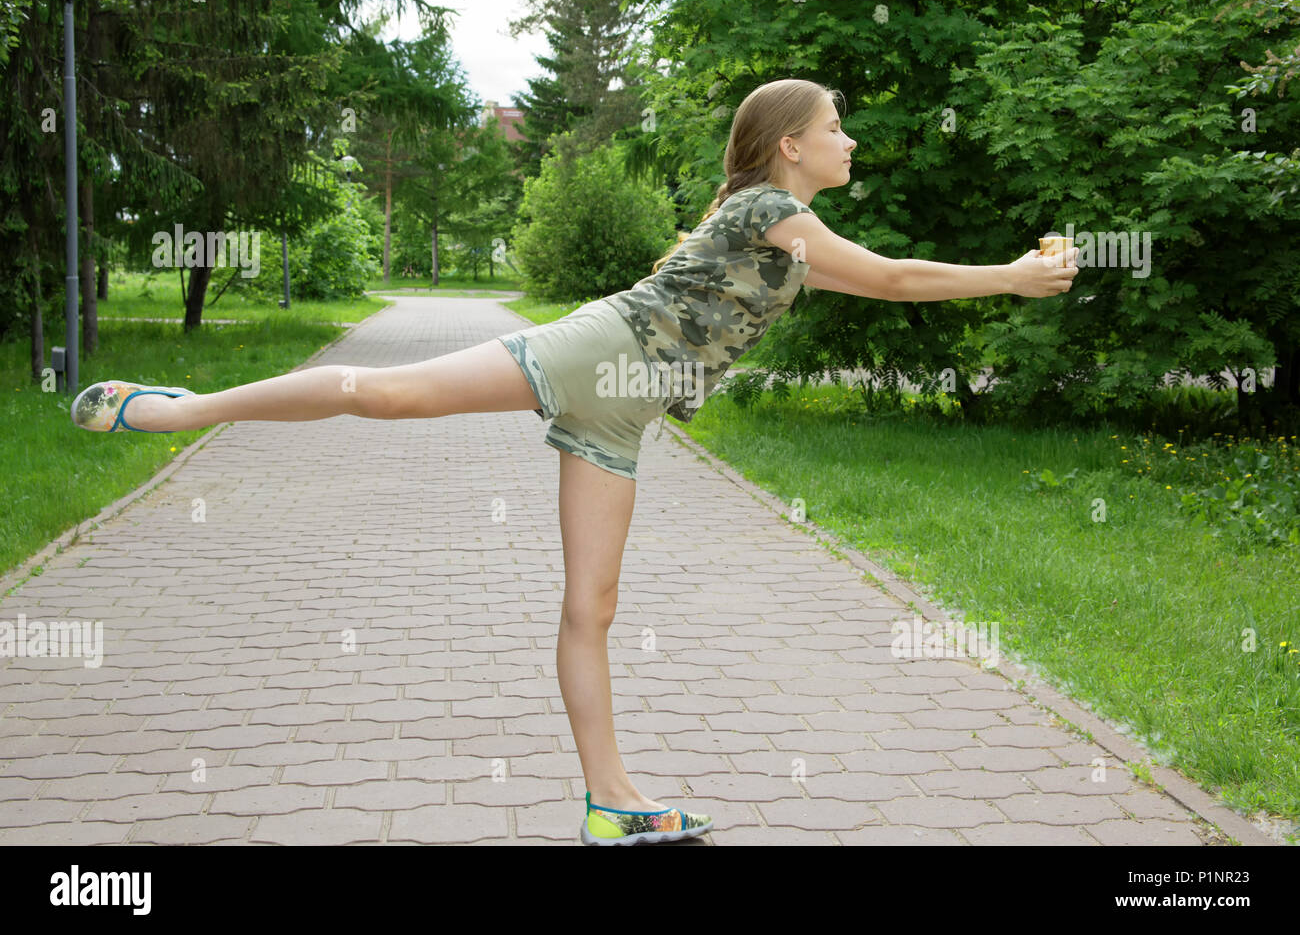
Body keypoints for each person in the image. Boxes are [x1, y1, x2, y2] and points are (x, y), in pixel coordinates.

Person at [71, 77, 1079, 845]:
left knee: (589, 610)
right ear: (790, 147)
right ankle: (181, 411)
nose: (848, 141)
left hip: (625, 416)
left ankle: (611, 802)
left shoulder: (763, 221)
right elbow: (897, 278)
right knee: (383, 393)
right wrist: (1018, 279)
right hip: (597, 353)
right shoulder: (770, 212)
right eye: (836, 128)